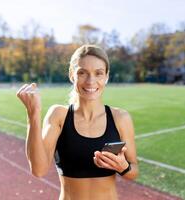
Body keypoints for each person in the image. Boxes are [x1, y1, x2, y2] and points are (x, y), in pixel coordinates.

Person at [16, 44, 138, 200]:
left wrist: (123, 167)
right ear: (72, 75)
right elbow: (38, 170)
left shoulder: (121, 118)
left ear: (106, 77)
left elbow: (133, 171)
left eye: (98, 73)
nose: (90, 81)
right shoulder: (58, 115)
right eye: (82, 73)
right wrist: (32, 114)